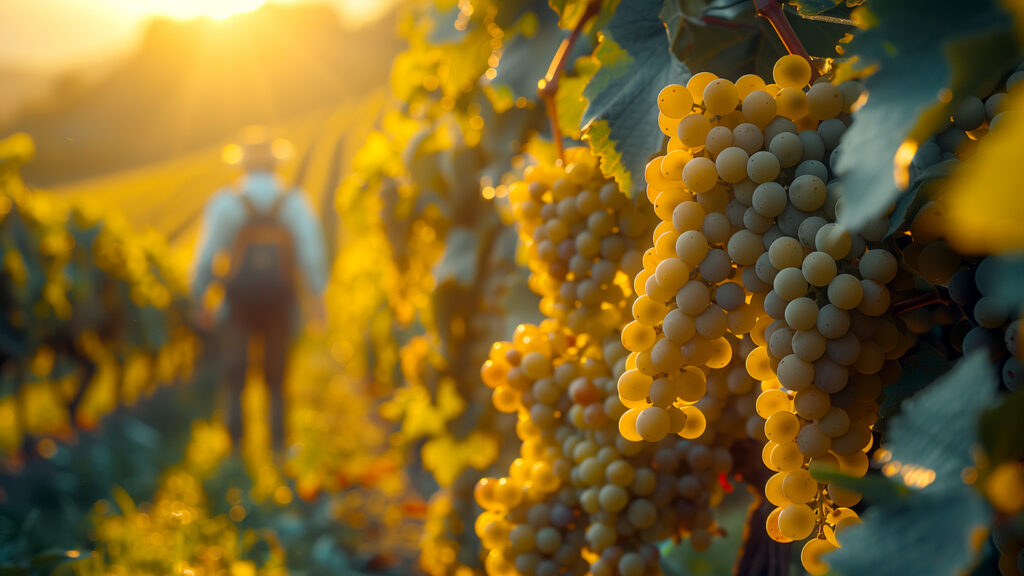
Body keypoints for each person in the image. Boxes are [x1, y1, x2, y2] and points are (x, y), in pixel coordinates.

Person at [192, 126, 327, 454]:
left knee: (234, 372)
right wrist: (315, 300)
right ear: (275, 165)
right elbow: (312, 254)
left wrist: (202, 300)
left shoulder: (226, 203)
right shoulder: (294, 202)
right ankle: (278, 444)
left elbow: (206, 257)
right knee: (277, 376)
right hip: (281, 300)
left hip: (238, 302)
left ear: (243, 166)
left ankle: (234, 445)